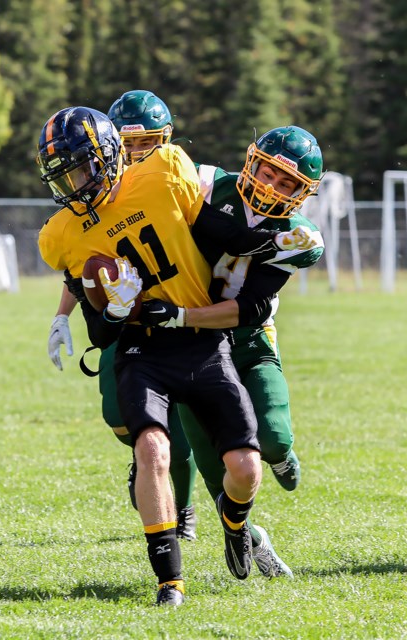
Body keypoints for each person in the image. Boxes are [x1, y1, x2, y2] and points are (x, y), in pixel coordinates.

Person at [35, 106, 319, 606]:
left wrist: (278, 243)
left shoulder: (171, 174)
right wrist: (86, 313)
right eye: (66, 176)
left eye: (80, 169)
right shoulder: (67, 230)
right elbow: (91, 298)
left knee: (254, 451)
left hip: (222, 332)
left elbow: (235, 269)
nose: (73, 184)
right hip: (151, 338)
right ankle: (182, 559)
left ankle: (241, 525)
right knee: (147, 439)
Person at [139, 125, 325, 578]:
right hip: (194, 349)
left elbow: (249, 308)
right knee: (217, 472)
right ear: (251, 159)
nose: (270, 186)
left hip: (246, 338)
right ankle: (245, 532)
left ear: (302, 195)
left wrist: (181, 315)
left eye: (286, 184)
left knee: (274, 437)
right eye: (268, 171)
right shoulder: (203, 182)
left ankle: (280, 460)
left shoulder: (301, 238)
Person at [46, 91, 198, 542]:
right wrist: (62, 316)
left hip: (178, 316)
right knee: (120, 419)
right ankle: (144, 457)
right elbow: (85, 265)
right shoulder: (90, 189)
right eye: (128, 144)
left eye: (147, 141)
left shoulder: (173, 174)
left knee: (183, 423)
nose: (137, 152)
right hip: (123, 322)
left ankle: (184, 508)